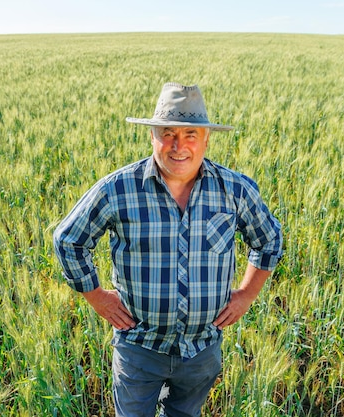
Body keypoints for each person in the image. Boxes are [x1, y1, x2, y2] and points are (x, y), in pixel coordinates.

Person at [53, 82, 283, 417]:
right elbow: (68, 240)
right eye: (168, 133)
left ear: (206, 139)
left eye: (190, 134)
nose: (179, 146)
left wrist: (247, 294)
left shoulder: (234, 190)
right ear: (153, 136)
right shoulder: (118, 189)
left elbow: (269, 239)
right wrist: (98, 297)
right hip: (139, 349)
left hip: (202, 350)